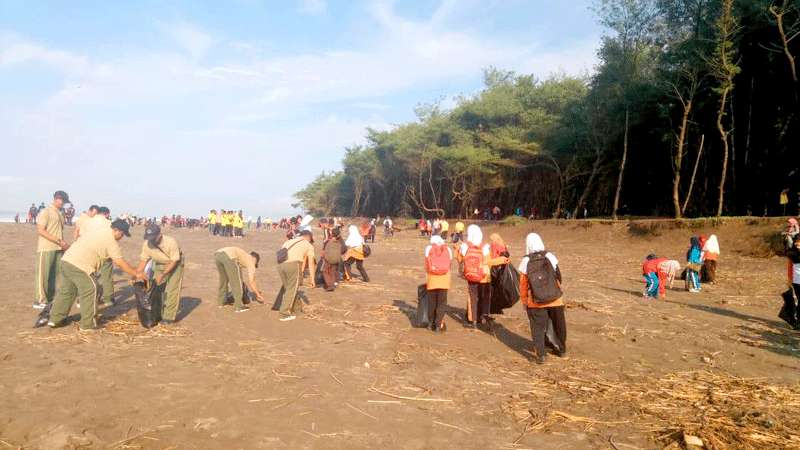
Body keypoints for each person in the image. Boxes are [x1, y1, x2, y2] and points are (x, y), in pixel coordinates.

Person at [48, 220, 143, 330]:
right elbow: (119, 262)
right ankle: (88, 324)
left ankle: (55, 319)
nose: (122, 237)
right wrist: (136, 273)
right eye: (122, 234)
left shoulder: (99, 230)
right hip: (80, 265)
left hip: (67, 260)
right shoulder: (110, 241)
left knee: (67, 291)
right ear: (116, 230)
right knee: (91, 288)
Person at [518, 233, 567, 364]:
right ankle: (561, 350)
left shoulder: (526, 261)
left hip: (535, 301)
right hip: (555, 299)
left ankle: (541, 355)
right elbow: (558, 276)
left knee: (537, 327)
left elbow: (523, 284)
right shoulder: (550, 256)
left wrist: (524, 301)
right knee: (559, 325)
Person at [457, 225, 507, 328]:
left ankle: (473, 321)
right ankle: (484, 319)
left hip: (471, 275)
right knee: (485, 298)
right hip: (485, 276)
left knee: (473, 298)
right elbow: (489, 262)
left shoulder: (465, 247)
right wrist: (501, 260)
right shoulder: (485, 247)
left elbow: (459, 259)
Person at [136, 225, 184, 324]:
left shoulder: (171, 242)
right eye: (149, 238)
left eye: (153, 238)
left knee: (172, 290)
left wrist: (163, 274)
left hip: (174, 263)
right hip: (159, 263)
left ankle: (169, 317)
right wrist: (137, 273)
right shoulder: (146, 244)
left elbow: (174, 261)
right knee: (156, 288)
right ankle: (157, 313)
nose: (151, 241)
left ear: (160, 235)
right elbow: (143, 260)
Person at [33, 191, 70, 309]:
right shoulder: (46, 211)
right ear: (58, 199)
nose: (64, 204)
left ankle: (48, 299)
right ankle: (39, 300)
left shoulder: (59, 213)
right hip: (46, 247)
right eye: (63, 202)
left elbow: (58, 230)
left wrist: (62, 244)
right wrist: (59, 241)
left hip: (58, 248)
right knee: (43, 275)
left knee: (54, 275)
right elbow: (40, 230)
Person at [276, 230, 316, 320]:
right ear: (309, 237)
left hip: (280, 265)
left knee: (289, 288)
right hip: (294, 265)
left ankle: (297, 309)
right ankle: (284, 313)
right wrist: (312, 279)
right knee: (292, 289)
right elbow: (311, 263)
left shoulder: (288, 241)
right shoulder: (308, 245)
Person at [214, 246, 264, 312]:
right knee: (237, 283)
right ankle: (239, 306)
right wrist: (258, 294)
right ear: (255, 259)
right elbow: (251, 281)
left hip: (218, 255)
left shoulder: (243, 256)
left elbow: (237, 272)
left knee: (224, 280)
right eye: (256, 264)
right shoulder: (251, 261)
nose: (254, 266)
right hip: (230, 257)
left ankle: (221, 302)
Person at [424, 235, 453, 332]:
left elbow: (426, 265)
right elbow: (450, 264)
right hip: (444, 280)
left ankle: (430, 323)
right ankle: (438, 325)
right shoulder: (448, 249)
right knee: (441, 303)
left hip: (432, 279)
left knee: (431, 303)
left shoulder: (428, 249)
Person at [782, 235, 800, 328]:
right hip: (797, 281)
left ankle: (795, 320)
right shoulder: (792, 253)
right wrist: (789, 280)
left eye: (799, 241)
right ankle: (797, 322)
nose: (797, 243)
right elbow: (790, 268)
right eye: (796, 241)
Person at [321, 227, 343, 291]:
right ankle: (333, 284)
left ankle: (330, 285)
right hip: (337, 260)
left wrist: (324, 258)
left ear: (331, 234)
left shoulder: (328, 241)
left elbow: (324, 251)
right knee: (333, 272)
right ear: (338, 235)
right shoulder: (339, 242)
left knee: (325, 272)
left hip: (329, 259)